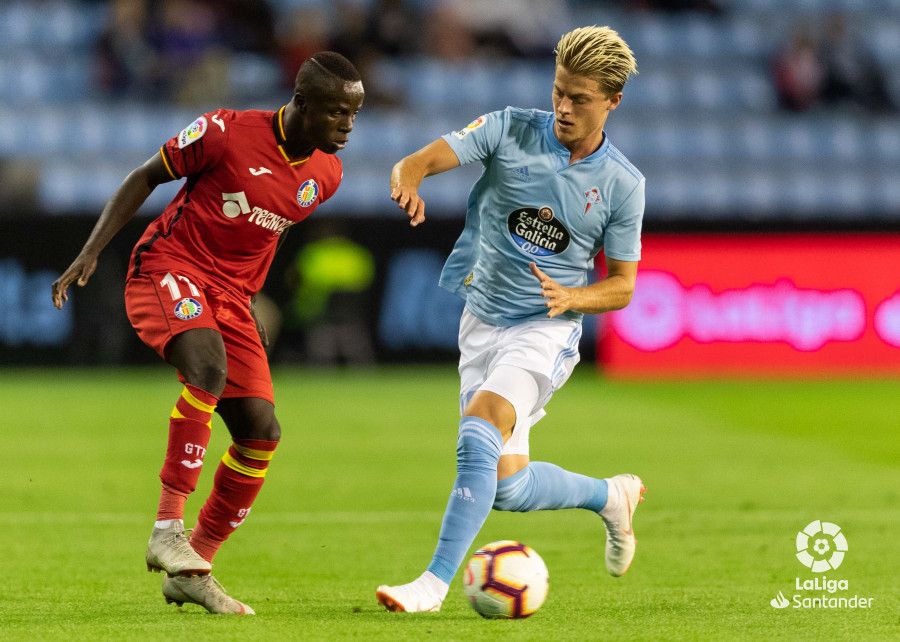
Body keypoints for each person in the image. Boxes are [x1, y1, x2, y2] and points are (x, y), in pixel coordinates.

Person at [51, 52, 364, 615]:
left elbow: (272, 229)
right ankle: (168, 525)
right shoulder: (223, 132)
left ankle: (195, 565)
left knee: (261, 431)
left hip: (232, 298)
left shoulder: (327, 175)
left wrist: (251, 304)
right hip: (169, 266)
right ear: (301, 104)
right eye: (338, 112)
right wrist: (90, 251)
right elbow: (144, 176)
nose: (348, 125)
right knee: (207, 370)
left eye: (354, 114)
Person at [376, 26, 646, 613]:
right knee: (507, 487)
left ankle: (432, 584)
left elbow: (623, 285)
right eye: (559, 92)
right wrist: (410, 179)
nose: (564, 108)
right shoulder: (508, 127)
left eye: (580, 98)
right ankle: (610, 496)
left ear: (612, 102)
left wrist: (574, 298)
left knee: (480, 427)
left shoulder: (623, 185)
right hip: (480, 319)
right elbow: (418, 161)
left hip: (544, 328)